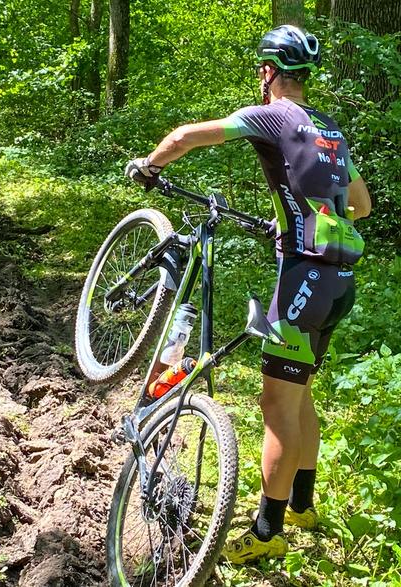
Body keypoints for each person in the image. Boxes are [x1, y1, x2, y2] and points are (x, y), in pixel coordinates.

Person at [125, 25, 371, 564]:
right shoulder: (330, 129)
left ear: (268, 71)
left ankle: (266, 532)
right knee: (300, 394)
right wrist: (306, 216)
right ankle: (302, 507)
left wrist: (149, 165)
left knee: (276, 405)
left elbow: (187, 136)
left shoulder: (272, 115)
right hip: (339, 282)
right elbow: (361, 203)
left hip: (303, 281)